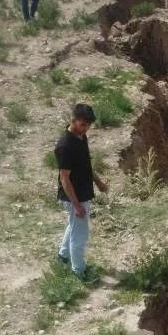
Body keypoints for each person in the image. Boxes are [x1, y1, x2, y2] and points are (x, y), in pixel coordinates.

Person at [55, 103, 108, 280]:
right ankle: (78, 271)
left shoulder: (81, 137)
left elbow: (86, 165)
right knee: (80, 234)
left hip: (83, 192)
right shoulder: (65, 146)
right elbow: (64, 178)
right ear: (73, 121)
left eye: (88, 125)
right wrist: (77, 205)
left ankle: (63, 256)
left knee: (73, 226)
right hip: (73, 197)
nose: (86, 129)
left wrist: (98, 182)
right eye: (83, 124)